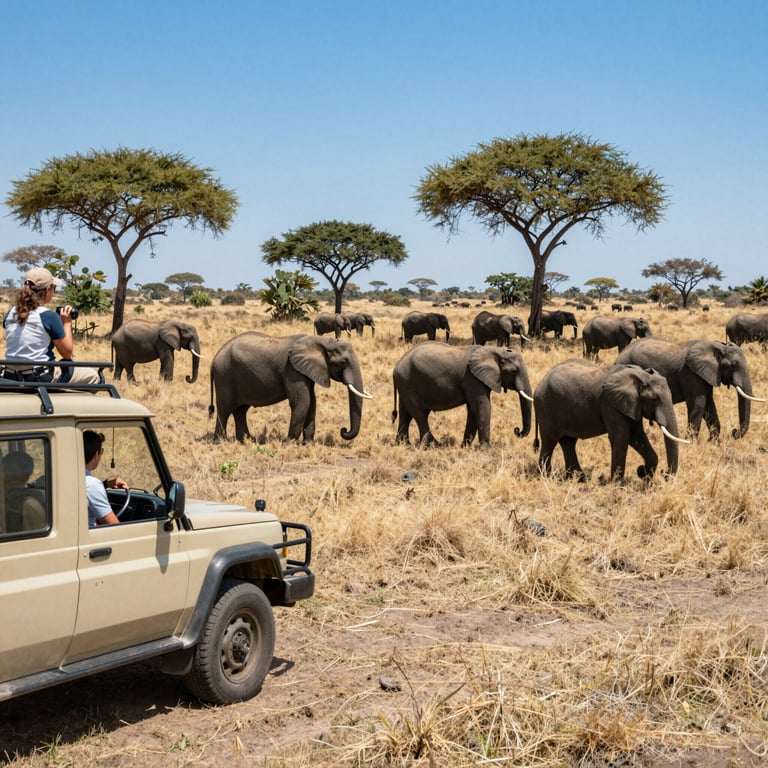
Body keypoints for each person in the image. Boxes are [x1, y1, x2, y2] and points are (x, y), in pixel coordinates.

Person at [2, 267, 99, 384]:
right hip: (39, 376)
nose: (54, 291)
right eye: (54, 288)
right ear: (48, 289)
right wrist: (67, 323)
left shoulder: (9, 313)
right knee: (93, 376)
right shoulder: (48, 316)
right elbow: (67, 353)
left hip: (10, 375)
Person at [83, 430, 128, 526]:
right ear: (96, 455)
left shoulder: (52, 478)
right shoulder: (92, 485)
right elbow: (115, 527)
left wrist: (106, 484)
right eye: (101, 452)